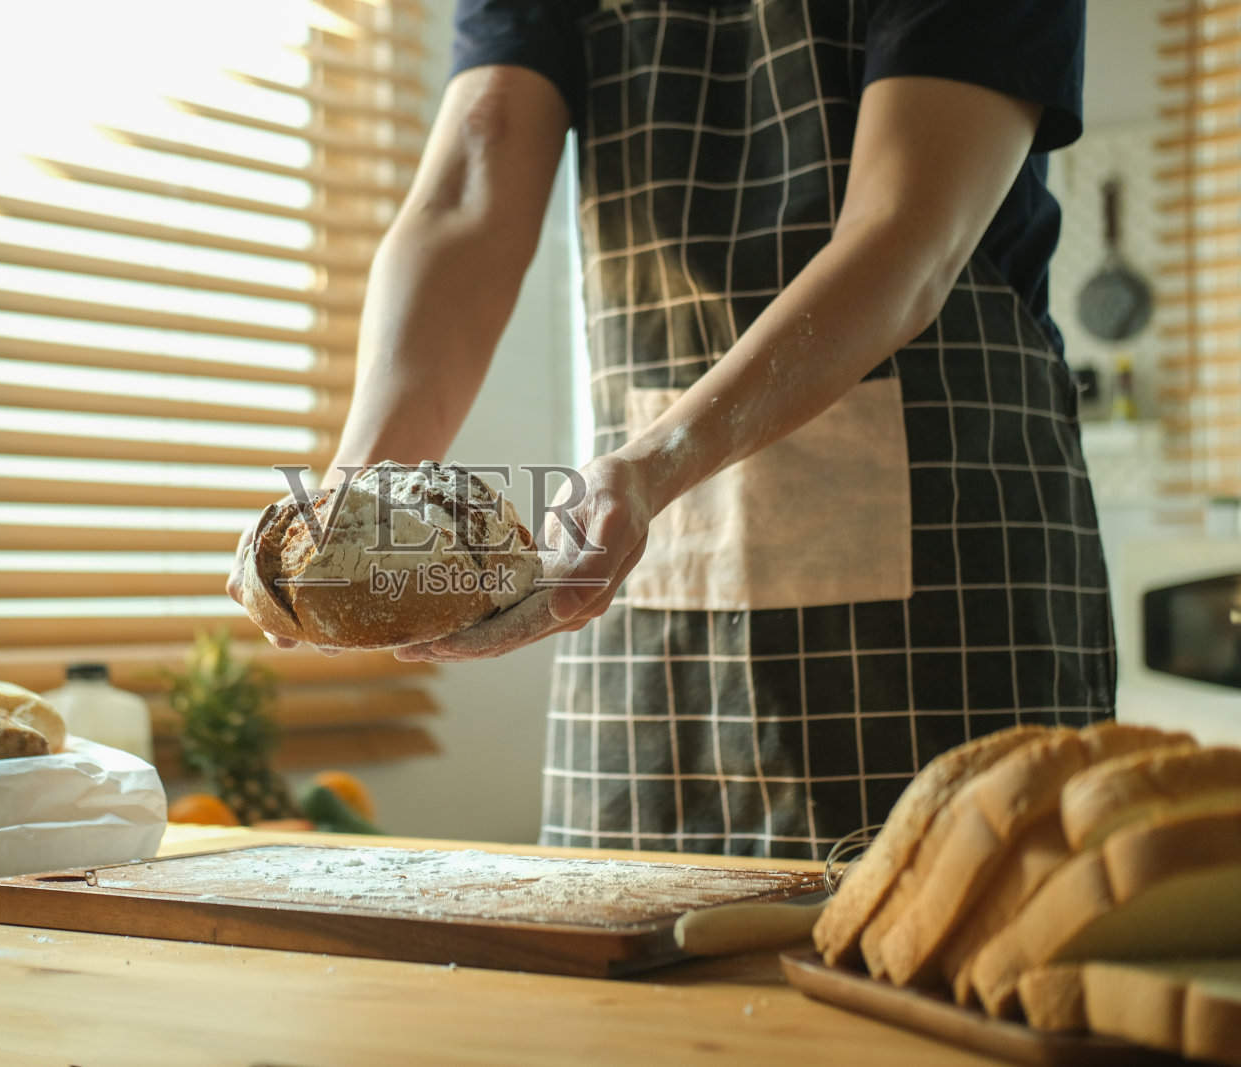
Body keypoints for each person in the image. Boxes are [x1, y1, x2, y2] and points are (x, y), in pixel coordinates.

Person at [228, 0, 1115, 860]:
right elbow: (471, 185)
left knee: (963, 936)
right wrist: (351, 502)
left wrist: (653, 467)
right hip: (639, 549)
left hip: (951, 544)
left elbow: (906, 232)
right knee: (616, 954)